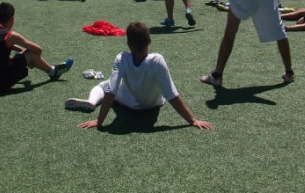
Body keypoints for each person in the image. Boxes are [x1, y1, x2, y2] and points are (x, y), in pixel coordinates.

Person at [71, 21, 213, 130]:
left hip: (129, 103)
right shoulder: (157, 60)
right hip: (153, 104)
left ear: (128, 44)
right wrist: (193, 120)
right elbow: (172, 95)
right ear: (149, 42)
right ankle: (93, 101)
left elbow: (111, 91)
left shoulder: (121, 58)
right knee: (112, 87)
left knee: (103, 85)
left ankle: (92, 101)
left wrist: (99, 122)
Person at [0, 2, 74, 93]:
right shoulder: (10, 35)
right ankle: (53, 72)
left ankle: (48, 68)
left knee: (16, 56)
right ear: (12, 19)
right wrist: (26, 57)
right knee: (31, 53)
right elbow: (38, 50)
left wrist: (20, 53)